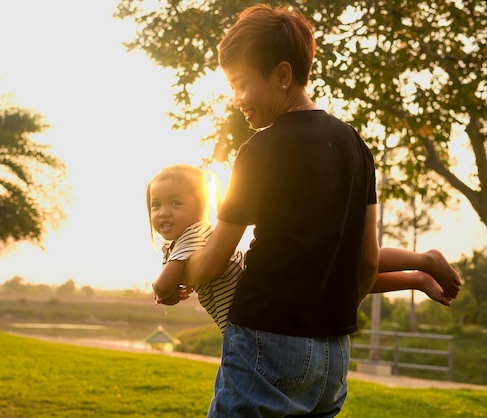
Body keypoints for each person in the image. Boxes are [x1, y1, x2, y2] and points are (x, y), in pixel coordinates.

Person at [172, 5, 461, 417]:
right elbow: (366, 260)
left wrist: (177, 272)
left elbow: (214, 260)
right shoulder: (356, 147)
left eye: (241, 85)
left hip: (265, 342)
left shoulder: (259, 150)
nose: (236, 100)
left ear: (283, 75)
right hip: (333, 357)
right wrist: (330, 319)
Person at [148, 164, 459, 336]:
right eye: (156, 205)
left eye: (176, 203)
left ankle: (423, 260)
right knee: (343, 278)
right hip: (269, 295)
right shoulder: (182, 242)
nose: (164, 212)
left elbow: (163, 285)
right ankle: (417, 277)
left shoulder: (192, 234)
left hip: (264, 293)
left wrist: (167, 291)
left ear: (201, 208)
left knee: (349, 264)